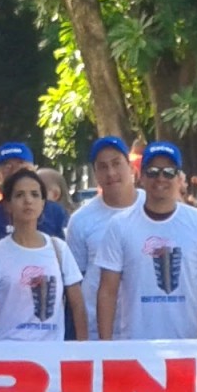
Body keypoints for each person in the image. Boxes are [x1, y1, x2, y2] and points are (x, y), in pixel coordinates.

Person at [94, 140, 197, 340]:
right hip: (136, 345)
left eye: (168, 172)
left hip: (188, 345)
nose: (160, 178)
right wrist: (106, 347)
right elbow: (108, 291)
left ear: (179, 178)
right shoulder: (120, 225)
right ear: (141, 177)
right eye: (152, 172)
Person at [0, 165, 83, 343]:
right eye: (19, 195)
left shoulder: (59, 249)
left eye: (35, 194)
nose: (28, 200)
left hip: (50, 353)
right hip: (6, 350)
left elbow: (77, 305)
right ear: (8, 205)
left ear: (43, 203)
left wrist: (83, 349)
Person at [65, 135, 141, 340]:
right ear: (95, 174)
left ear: (130, 167)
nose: (111, 173)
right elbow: (76, 282)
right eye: (103, 167)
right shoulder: (80, 220)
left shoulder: (150, 208)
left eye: (116, 164)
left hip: (142, 327)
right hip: (96, 330)